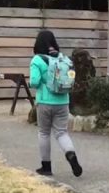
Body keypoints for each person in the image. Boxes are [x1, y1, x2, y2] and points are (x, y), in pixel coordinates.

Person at [30, 30, 83, 177]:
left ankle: (46, 167)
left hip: (45, 101)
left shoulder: (37, 60)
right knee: (61, 132)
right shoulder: (62, 58)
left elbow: (34, 82)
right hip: (63, 101)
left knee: (44, 133)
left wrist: (38, 83)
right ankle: (71, 154)